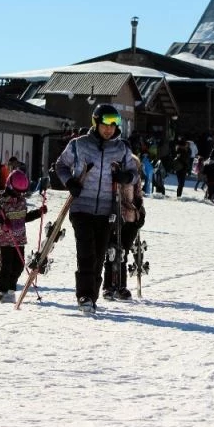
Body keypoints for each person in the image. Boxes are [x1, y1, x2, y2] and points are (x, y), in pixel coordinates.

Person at [55, 104, 138, 313]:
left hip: (107, 210)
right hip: (81, 207)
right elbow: (60, 165)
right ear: (96, 123)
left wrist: (126, 177)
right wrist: (69, 182)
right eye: (105, 124)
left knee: (100, 256)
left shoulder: (121, 148)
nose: (109, 129)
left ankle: (92, 296)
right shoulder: (79, 145)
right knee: (86, 254)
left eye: (114, 124)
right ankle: (84, 296)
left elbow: (134, 173)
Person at [0, 169, 47, 302]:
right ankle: (0, 290)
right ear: (10, 186)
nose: (20, 194)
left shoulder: (21, 201)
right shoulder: (0, 199)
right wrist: (3, 226)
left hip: (19, 238)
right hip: (5, 238)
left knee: (19, 266)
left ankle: (10, 288)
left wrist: (38, 213)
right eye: (17, 191)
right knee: (6, 265)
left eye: (22, 192)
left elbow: (24, 218)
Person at [103, 154, 146, 300]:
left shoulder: (135, 178)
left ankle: (121, 285)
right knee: (112, 251)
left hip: (131, 219)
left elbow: (138, 195)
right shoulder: (113, 173)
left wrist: (140, 210)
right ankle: (109, 286)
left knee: (123, 253)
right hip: (114, 216)